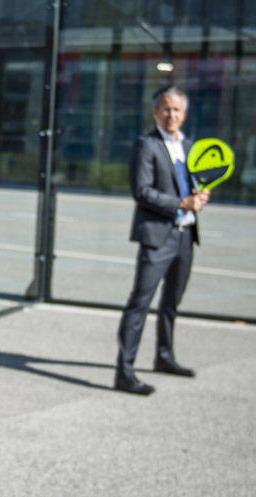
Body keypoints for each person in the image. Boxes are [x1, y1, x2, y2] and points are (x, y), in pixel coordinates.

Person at [115, 84, 210, 395]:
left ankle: (164, 356)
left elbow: (192, 187)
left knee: (171, 303)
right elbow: (141, 191)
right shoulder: (146, 145)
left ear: (184, 114)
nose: (171, 114)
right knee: (139, 304)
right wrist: (181, 203)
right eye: (166, 108)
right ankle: (124, 372)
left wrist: (199, 195)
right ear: (155, 112)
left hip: (185, 235)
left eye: (177, 109)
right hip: (157, 236)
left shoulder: (191, 146)